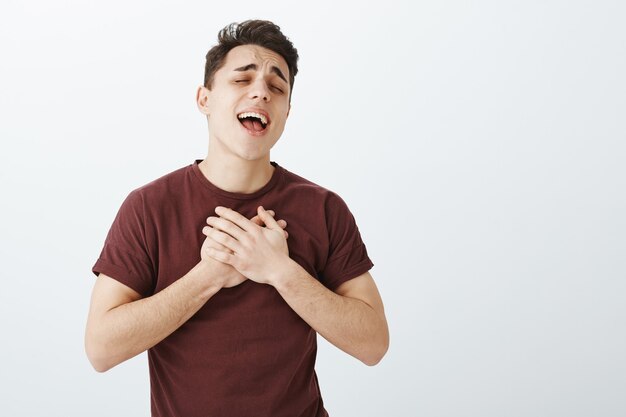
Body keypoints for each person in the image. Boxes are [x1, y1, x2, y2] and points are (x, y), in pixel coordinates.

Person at [85, 19, 389, 417]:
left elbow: (373, 344)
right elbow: (101, 349)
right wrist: (210, 275)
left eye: (276, 87)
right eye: (242, 80)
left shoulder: (324, 209)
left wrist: (281, 271)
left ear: (286, 111)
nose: (261, 91)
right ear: (204, 99)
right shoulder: (148, 207)